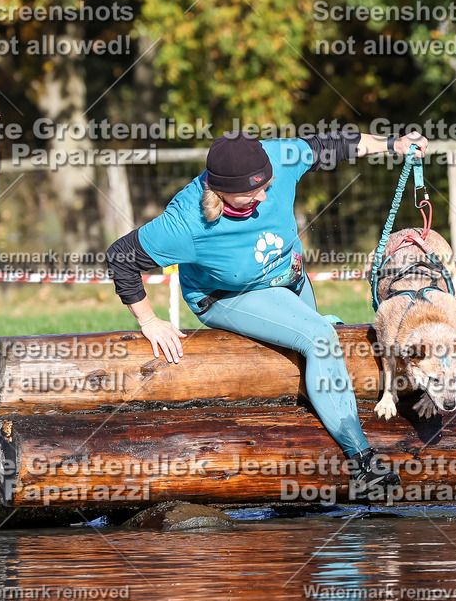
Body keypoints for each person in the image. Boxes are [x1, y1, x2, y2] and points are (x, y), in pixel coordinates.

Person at [106, 128, 429, 494]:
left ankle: (303, 480)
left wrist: (394, 144)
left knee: (315, 355)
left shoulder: (275, 159)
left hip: (287, 279)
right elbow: (121, 258)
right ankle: (363, 465)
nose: (264, 195)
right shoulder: (186, 222)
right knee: (319, 338)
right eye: (250, 193)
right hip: (226, 295)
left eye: (267, 185)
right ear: (220, 191)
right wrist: (149, 321)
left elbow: (333, 144)